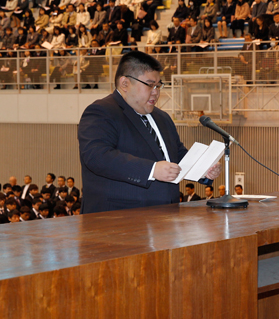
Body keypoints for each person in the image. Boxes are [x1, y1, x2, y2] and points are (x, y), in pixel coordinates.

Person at [78, 51, 221, 214]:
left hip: (165, 217)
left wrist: (202, 170)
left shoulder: (162, 117)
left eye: (158, 85)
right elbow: (97, 156)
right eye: (149, 85)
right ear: (125, 83)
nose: (156, 92)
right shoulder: (101, 111)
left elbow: (176, 155)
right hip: (119, 218)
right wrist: (151, 170)